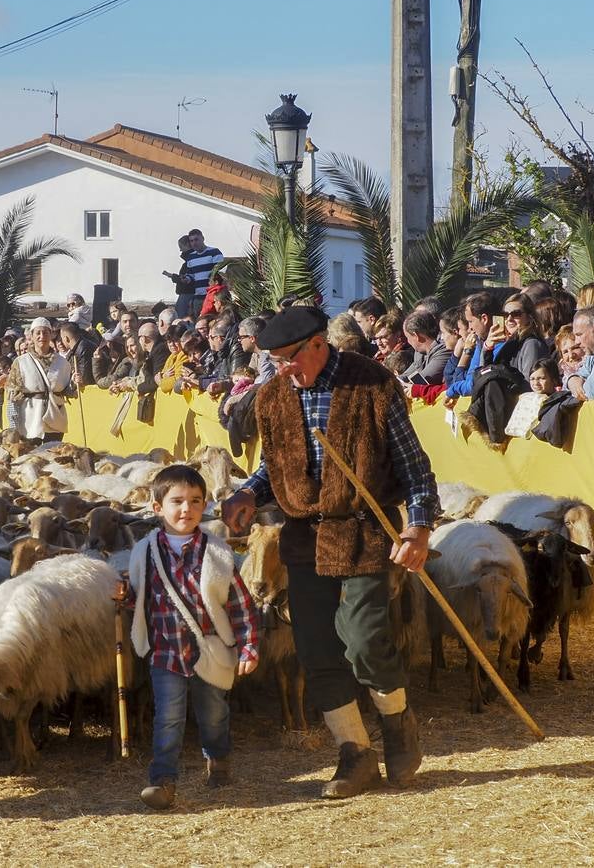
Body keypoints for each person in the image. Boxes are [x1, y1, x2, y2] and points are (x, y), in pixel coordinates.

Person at [221, 306, 438, 799]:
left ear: (318, 344)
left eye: (288, 360)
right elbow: (272, 468)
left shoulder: (373, 385)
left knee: (363, 641)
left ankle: (398, 725)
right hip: (304, 538)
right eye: (274, 361)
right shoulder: (274, 397)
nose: (281, 370)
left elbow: (415, 469)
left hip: (363, 531)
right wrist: (248, 495)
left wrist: (420, 527)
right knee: (317, 651)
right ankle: (354, 753)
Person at [127, 464, 260, 810]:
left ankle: (218, 758)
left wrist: (248, 645)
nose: (186, 509)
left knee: (213, 712)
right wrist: (122, 595)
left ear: (205, 506)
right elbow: (140, 597)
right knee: (168, 716)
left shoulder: (217, 552)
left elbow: (240, 603)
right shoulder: (145, 551)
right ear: (158, 508)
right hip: (166, 653)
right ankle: (163, 780)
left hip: (211, 651)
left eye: (195, 501)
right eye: (177, 501)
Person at [6, 317, 76, 443]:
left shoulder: (63, 363)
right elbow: (13, 397)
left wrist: (75, 384)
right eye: (38, 333)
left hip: (55, 418)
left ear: (51, 335)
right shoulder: (20, 362)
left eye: (45, 332)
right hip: (30, 420)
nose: (41, 336)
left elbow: (67, 391)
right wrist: (13, 426)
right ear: (31, 336)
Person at [179, 229, 224, 318]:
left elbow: (221, 273)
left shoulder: (214, 252)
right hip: (198, 297)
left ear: (203, 239)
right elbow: (191, 276)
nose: (194, 243)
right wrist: (186, 279)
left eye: (196, 239)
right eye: (191, 241)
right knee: (199, 324)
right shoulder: (191, 257)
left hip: (213, 296)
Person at [398, 310, 449, 385]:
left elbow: (422, 381)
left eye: (408, 337)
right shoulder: (419, 353)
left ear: (416, 336)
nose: (408, 341)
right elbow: (406, 375)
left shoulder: (444, 350)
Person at [59, 320, 96, 388]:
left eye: (62, 338)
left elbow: (84, 377)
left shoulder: (83, 349)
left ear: (66, 338)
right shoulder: (79, 347)